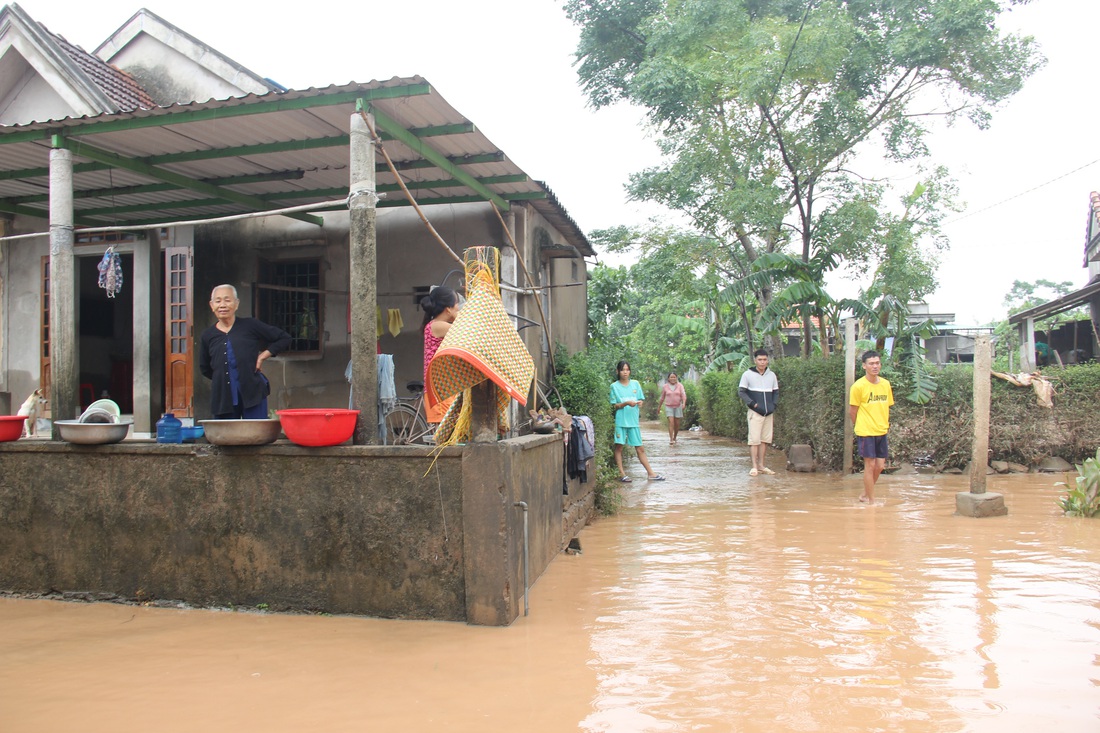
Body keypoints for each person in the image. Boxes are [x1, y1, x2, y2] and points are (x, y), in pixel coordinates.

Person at [199, 284, 291, 419]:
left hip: (252, 391)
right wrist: (223, 378)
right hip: (223, 396)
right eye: (218, 301)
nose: (222, 305)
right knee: (226, 436)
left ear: (236, 304)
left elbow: (284, 338)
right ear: (212, 305)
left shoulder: (250, 325)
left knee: (256, 433)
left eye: (227, 300)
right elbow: (205, 368)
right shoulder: (208, 335)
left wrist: (262, 357)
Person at [848, 350, 894, 504]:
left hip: (881, 430)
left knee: (880, 466)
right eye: (871, 363)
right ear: (864, 366)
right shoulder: (858, 386)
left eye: (877, 363)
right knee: (870, 464)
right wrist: (859, 426)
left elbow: (887, 407)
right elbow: (852, 411)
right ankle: (872, 501)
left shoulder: (886, 384)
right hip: (866, 431)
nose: (875, 366)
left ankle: (865, 493)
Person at [609, 360, 664, 482]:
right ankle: (622, 474)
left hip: (633, 422)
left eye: (627, 370)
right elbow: (614, 406)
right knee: (619, 447)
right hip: (621, 422)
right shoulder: (614, 386)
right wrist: (626, 403)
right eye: (623, 370)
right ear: (618, 371)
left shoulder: (635, 384)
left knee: (640, 448)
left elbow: (641, 400)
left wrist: (639, 404)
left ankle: (651, 473)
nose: (625, 372)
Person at [421, 286, 459, 424]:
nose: (458, 308)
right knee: (448, 438)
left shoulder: (435, 325)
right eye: (457, 304)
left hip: (443, 388)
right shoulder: (438, 326)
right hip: (440, 389)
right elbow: (469, 329)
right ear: (448, 308)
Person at [738, 349, 779, 476]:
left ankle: (761, 465)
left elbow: (776, 392)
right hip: (755, 412)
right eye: (760, 360)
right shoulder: (747, 375)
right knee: (754, 440)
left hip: (768, 413)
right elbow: (741, 392)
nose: (762, 362)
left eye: (765, 359)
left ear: (768, 360)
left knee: (764, 440)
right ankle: (754, 466)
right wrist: (753, 404)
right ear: (755, 360)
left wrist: (773, 405)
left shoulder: (771, 375)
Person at [657, 371, 687, 445]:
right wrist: (659, 407)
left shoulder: (680, 386)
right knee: (671, 422)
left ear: (676, 378)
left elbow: (683, 396)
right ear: (668, 379)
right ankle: (671, 439)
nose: (673, 378)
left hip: (678, 406)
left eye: (674, 377)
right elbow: (662, 398)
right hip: (668, 406)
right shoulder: (665, 387)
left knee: (677, 424)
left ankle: (675, 437)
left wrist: (683, 403)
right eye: (671, 377)